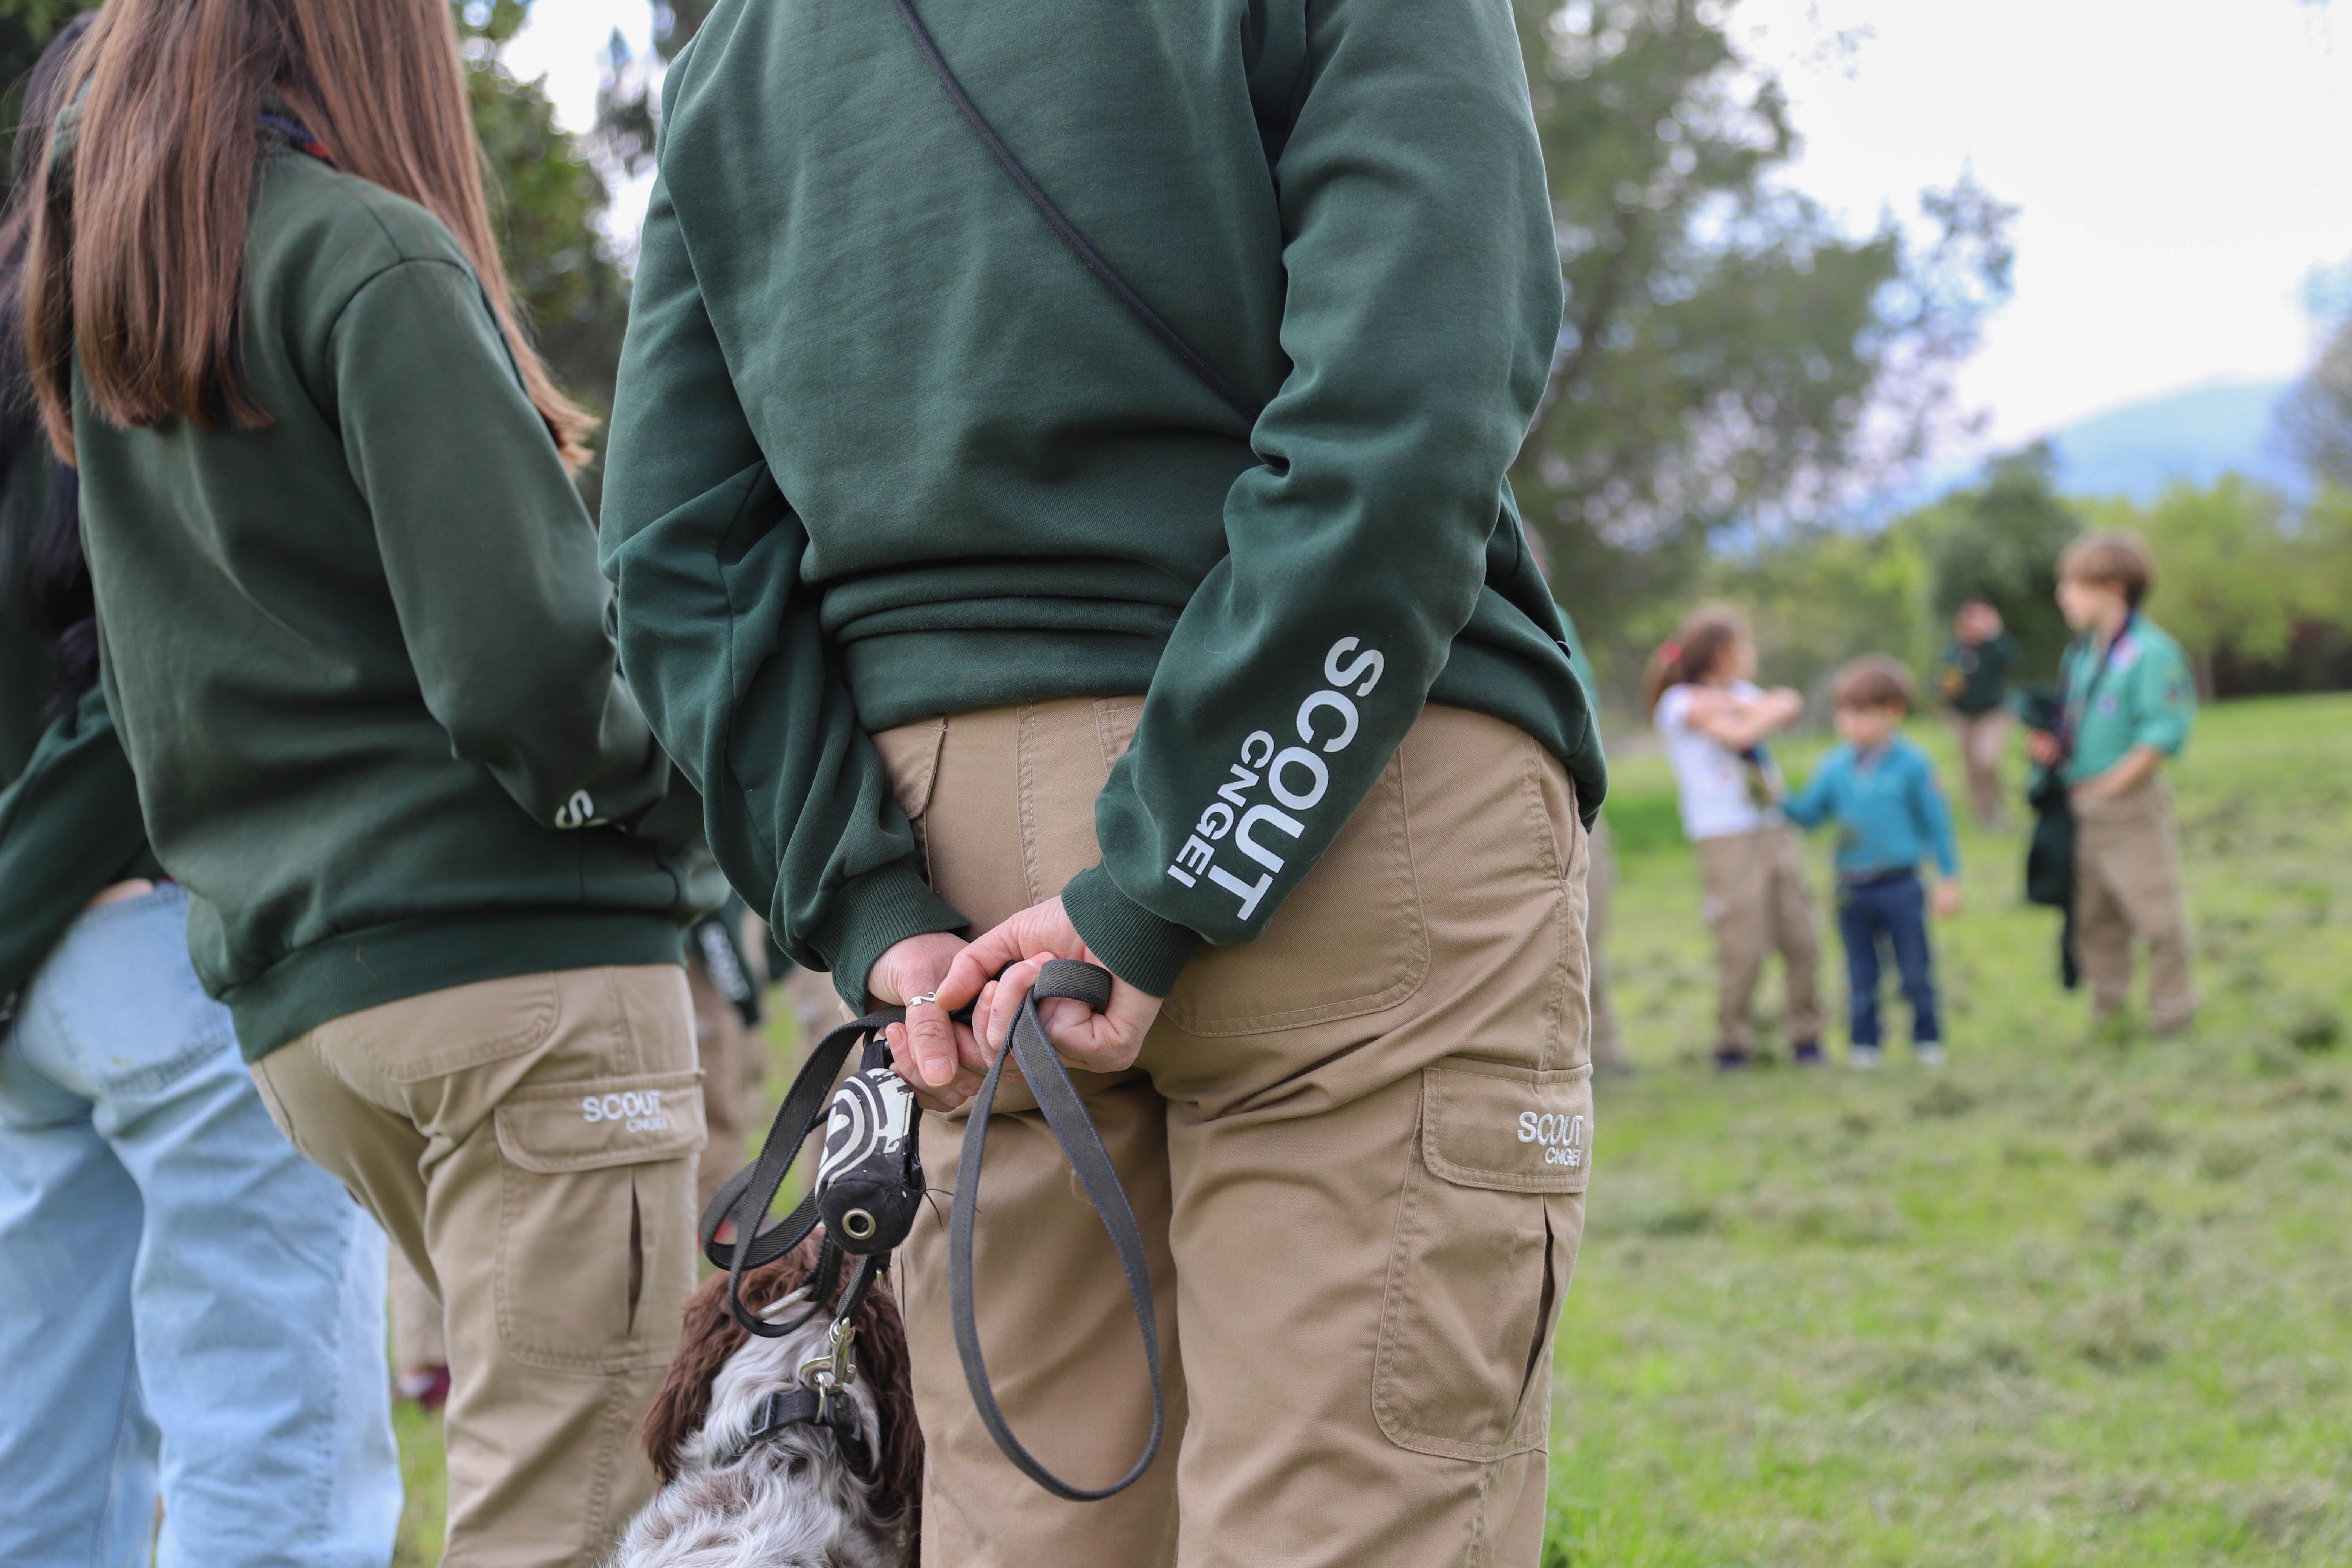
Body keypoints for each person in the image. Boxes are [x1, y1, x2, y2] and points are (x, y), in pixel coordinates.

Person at [601, 0, 1608, 1559]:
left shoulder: (743, 44)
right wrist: (1166, 864)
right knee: (1354, 1515)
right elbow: (1413, 390)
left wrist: (864, 896)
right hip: (1341, 808)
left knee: (1034, 1528)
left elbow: (676, 552)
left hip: (951, 885)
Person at [22, 4, 724, 1562]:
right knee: (578, 1519)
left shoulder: (126, 319)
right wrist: (711, 790)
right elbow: (527, 677)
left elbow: (141, 691)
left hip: (306, 1010)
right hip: (517, 965)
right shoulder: (370, 257)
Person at [0, 27, 403, 1566]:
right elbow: (153, 673)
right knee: (271, 1472)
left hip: (37, 986)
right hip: (183, 927)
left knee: (41, 1468)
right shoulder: (175, 305)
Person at [2027, 532, 2198, 1035]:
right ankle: (2111, 1017)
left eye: (2074, 585)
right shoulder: (2079, 656)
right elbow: (2074, 725)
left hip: (2128, 810)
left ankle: (2172, 1018)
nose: (2064, 596)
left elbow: (2162, 734)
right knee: (2095, 921)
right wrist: (2051, 751)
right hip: (2079, 811)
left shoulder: (2152, 652)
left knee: (2159, 919)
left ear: (2115, 588)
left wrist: (2111, 786)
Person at [1646, 607, 1824, 1069]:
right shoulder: (1679, 702)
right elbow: (1743, 730)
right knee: (1742, 944)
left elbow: (1789, 702)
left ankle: (1807, 1036)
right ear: (1724, 652)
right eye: (1745, 645)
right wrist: (1748, 709)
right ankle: (1733, 1042)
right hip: (1724, 835)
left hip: (1773, 826)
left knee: (1802, 933)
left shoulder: (1739, 694)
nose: (1752, 655)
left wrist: (1741, 704)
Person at [1782, 657, 1962, 1068]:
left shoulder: (1914, 764)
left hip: (1902, 884)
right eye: (1844, 713)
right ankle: (1866, 1044)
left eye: (1862, 713)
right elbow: (1810, 813)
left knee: (1915, 969)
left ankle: (1927, 1038)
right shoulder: (1834, 766)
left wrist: (1949, 877)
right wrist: (1775, 798)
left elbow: (1939, 825)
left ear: (1893, 712)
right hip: (1852, 886)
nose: (1850, 723)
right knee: (1861, 973)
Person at [1934, 600, 2021, 829]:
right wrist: (1946, 689)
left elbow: (2011, 658)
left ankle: (1998, 813)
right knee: (1972, 768)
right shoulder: (1956, 651)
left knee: (1988, 762)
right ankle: (1982, 817)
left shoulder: (1994, 649)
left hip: (1992, 714)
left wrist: (1994, 634)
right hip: (1963, 717)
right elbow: (1942, 679)